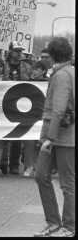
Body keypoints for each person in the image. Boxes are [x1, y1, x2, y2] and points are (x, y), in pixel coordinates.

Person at [33, 37, 75, 237]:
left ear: (53, 55)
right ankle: (56, 223)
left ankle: (68, 225)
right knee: (43, 176)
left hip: (61, 135)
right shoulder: (67, 72)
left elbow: (58, 110)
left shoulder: (62, 76)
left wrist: (49, 138)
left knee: (65, 182)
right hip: (61, 133)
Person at [6, 44, 35, 175]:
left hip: (23, 104)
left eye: (20, 51)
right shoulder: (3, 64)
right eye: (16, 51)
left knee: (18, 135)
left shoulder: (27, 66)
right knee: (4, 135)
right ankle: (1, 163)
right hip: (6, 103)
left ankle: (14, 165)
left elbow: (33, 81)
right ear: (10, 51)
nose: (18, 54)